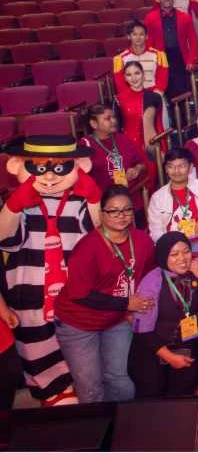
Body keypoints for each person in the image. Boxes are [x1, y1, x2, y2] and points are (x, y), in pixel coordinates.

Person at [0, 136, 103, 407]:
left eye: (58, 168)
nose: (47, 176)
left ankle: (75, 384)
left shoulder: (78, 202)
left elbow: (101, 234)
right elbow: (4, 237)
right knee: (36, 340)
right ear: (18, 166)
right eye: (38, 168)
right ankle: (50, 389)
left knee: (75, 341)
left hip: (73, 292)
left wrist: (93, 198)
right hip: (29, 290)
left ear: (78, 166)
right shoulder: (22, 203)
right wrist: (13, 205)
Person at [53, 185, 155, 404]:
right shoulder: (88, 247)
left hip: (116, 320)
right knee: (91, 387)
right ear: (102, 214)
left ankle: (123, 427)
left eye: (126, 210)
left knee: (119, 379)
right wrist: (127, 304)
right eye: (113, 211)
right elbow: (80, 294)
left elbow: (149, 275)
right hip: (78, 323)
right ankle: (98, 432)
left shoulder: (142, 241)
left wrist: (133, 310)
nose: (121, 216)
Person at [131, 232, 198, 397]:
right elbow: (142, 331)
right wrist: (169, 357)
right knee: (154, 398)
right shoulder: (152, 281)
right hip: (153, 348)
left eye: (186, 252)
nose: (182, 258)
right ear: (163, 257)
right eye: (174, 254)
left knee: (182, 396)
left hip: (186, 345)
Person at [144, 0, 198, 99]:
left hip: (180, 59)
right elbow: (148, 41)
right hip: (160, 60)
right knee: (164, 92)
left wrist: (192, 60)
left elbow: (193, 41)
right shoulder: (149, 17)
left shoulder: (185, 17)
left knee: (182, 92)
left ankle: (184, 116)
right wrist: (151, 61)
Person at [80, 103, 147, 192]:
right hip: (104, 199)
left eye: (114, 117)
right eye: (108, 119)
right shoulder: (85, 144)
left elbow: (142, 164)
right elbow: (81, 177)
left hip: (130, 193)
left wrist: (137, 169)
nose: (113, 121)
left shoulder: (122, 138)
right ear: (94, 124)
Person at [117, 60, 165, 157]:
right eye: (129, 75)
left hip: (150, 146)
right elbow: (117, 130)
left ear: (144, 75)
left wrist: (162, 148)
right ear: (125, 78)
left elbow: (158, 125)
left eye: (137, 73)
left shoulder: (154, 97)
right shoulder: (118, 99)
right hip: (128, 148)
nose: (134, 78)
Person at [113, 20, 168, 94]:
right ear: (129, 36)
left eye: (141, 34)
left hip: (154, 95)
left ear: (147, 36)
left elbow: (162, 81)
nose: (138, 38)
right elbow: (121, 85)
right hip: (131, 97)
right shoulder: (120, 59)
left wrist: (154, 96)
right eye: (134, 34)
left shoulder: (159, 55)